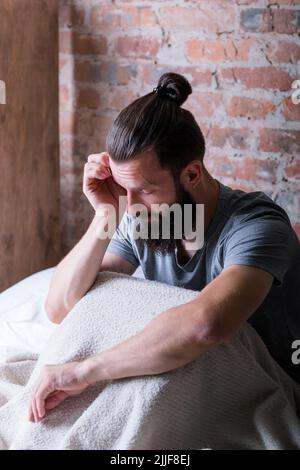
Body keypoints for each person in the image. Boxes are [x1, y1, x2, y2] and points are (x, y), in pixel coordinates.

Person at [28, 73, 300, 422]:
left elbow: (205, 325)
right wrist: (104, 214)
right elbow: (63, 307)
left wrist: (82, 372)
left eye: (145, 190)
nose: (133, 206)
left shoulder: (257, 228)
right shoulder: (149, 220)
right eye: (123, 189)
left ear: (191, 175)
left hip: (270, 385)